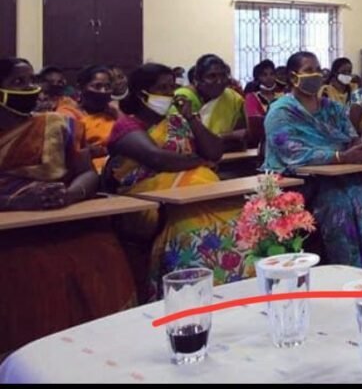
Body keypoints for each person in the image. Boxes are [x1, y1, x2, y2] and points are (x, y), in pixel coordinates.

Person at [0, 57, 136, 354]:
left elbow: (87, 173)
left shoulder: (56, 124)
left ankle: (99, 349)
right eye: (17, 82)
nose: (29, 88)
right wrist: (15, 202)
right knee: (30, 267)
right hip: (11, 232)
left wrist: (70, 195)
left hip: (61, 215)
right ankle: (30, 356)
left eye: (31, 80)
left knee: (100, 246)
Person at [263, 52, 362, 276]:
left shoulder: (332, 108)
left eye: (318, 69)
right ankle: (351, 274)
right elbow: (293, 154)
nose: (315, 75)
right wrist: (340, 157)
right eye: (308, 71)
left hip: (343, 174)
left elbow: (352, 137)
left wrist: (361, 150)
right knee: (342, 203)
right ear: (292, 77)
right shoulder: (281, 112)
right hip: (304, 182)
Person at [106, 62, 249, 299]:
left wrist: (191, 118)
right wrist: (199, 161)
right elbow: (158, 158)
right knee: (192, 227)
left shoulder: (178, 121)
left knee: (239, 217)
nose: (169, 94)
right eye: (162, 88)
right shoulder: (127, 126)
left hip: (194, 195)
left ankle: (237, 291)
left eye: (172, 87)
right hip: (149, 203)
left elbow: (214, 152)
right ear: (142, 92)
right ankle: (191, 294)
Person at [175, 54, 248, 152]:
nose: (219, 81)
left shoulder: (232, 98)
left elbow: (241, 137)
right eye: (212, 76)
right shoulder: (183, 98)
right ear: (197, 79)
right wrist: (225, 137)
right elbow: (186, 143)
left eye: (223, 75)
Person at [66, 65, 120, 173]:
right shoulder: (69, 113)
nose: (103, 91)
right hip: (88, 172)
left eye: (107, 87)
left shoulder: (113, 112)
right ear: (81, 88)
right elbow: (73, 151)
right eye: (97, 86)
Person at [243, 60, 280, 148]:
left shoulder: (283, 96)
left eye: (272, 74)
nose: (269, 77)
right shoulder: (251, 97)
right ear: (258, 78)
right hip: (259, 143)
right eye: (264, 75)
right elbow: (254, 123)